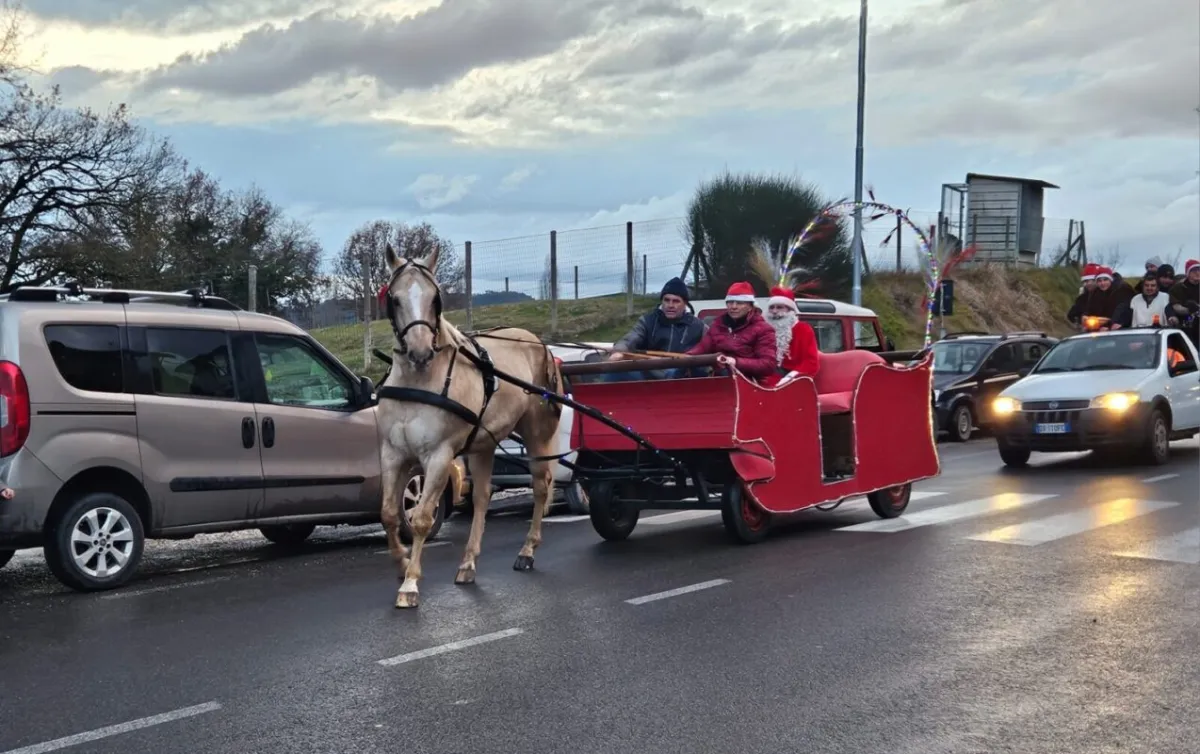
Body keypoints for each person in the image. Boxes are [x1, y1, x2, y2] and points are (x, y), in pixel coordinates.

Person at [605, 277, 706, 381]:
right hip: (648, 376)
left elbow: (713, 342)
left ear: (685, 304)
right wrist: (619, 351)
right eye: (666, 300)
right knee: (614, 373)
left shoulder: (698, 326)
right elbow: (629, 339)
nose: (670, 305)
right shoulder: (647, 321)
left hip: (682, 379)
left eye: (676, 301)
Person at [685, 281, 777, 381]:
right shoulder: (718, 325)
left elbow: (768, 365)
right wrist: (687, 356)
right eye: (730, 302)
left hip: (750, 383)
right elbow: (703, 347)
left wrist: (735, 362)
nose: (733, 306)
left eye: (739, 303)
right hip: (720, 381)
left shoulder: (764, 329)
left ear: (750, 306)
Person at [761, 286, 819, 387]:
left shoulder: (803, 329)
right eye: (771, 307)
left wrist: (789, 378)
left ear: (790, 310)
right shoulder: (763, 328)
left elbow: (811, 362)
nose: (774, 311)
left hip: (792, 379)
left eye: (779, 307)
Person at [1167, 259, 1200, 347]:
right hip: (1185, 327)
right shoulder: (1178, 288)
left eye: (1199, 270)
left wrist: (1197, 307)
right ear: (1187, 273)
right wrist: (1188, 310)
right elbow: (1175, 306)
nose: (1197, 273)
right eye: (1194, 271)